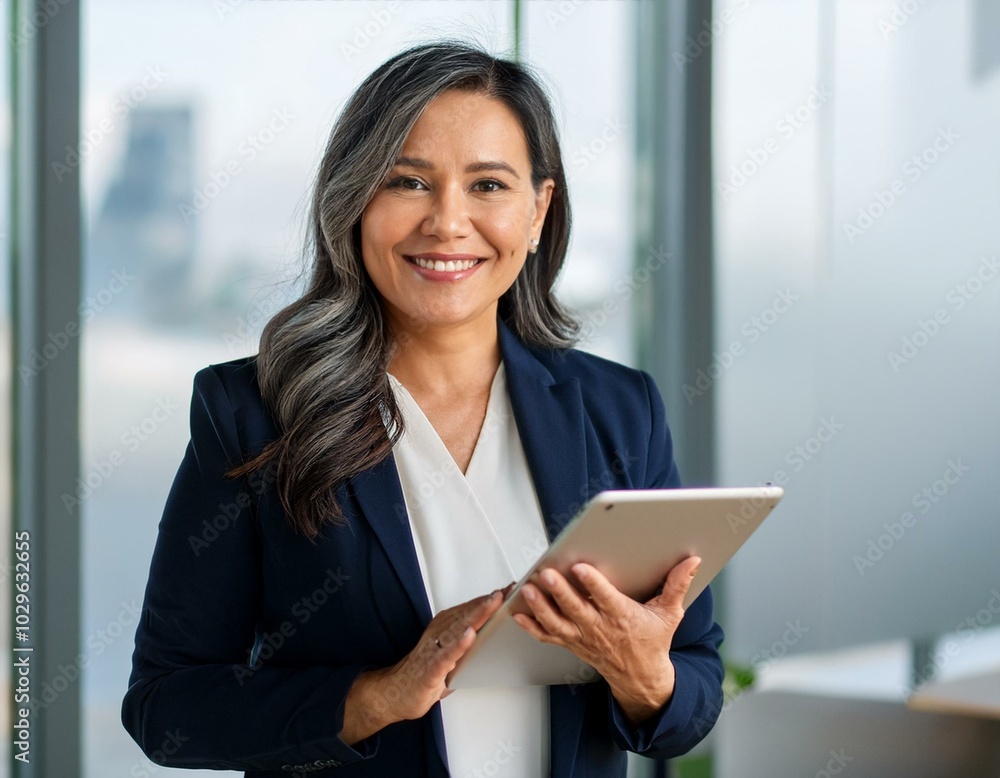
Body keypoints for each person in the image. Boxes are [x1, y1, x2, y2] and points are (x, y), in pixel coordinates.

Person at [122, 41, 724, 777]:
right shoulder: (254, 415)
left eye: (489, 186)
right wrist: (376, 697)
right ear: (353, 203)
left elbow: (692, 680)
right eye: (407, 182)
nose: (447, 222)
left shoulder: (620, 411)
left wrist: (644, 676)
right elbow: (166, 706)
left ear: (540, 211)